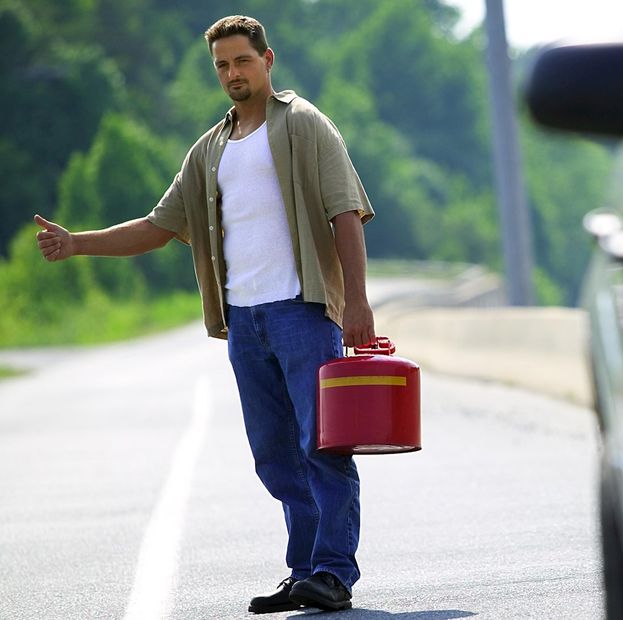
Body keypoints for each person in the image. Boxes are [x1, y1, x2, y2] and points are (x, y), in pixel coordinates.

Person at [34, 15, 373, 614]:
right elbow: (157, 226)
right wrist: (76, 242)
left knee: (322, 445)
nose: (232, 74)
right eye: (221, 65)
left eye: (242, 61)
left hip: (302, 310)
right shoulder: (209, 149)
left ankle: (333, 572)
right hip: (244, 322)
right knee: (274, 453)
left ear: (268, 60)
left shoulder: (303, 125)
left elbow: (345, 212)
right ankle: (304, 571)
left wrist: (359, 304)